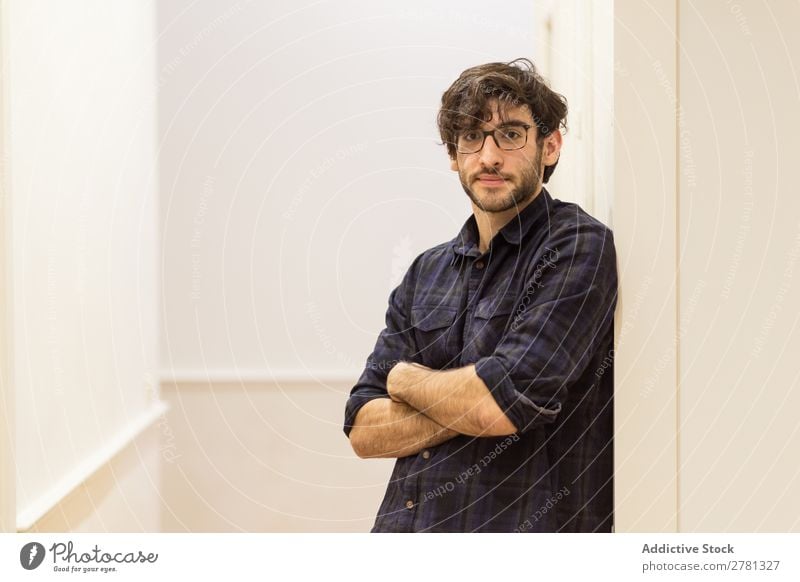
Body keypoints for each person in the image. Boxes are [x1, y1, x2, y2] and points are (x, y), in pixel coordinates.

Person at [343, 58, 617, 532]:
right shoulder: (426, 271)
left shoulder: (577, 247)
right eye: (471, 136)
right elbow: (364, 430)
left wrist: (406, 382)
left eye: (511, 135)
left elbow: (507, 401)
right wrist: (470, 398)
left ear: (549, 146)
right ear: (454, 154)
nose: (489, 156)